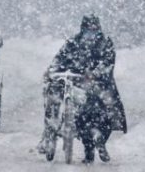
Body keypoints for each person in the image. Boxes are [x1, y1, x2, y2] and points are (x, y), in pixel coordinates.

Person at [37, 14, 127, 163]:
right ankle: (93, 141)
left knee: (95, 115)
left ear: (98, 29)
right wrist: (51, 71)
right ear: (82, 29)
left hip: (99, 86)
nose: (91, 33)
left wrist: (93, 75)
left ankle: (95, 143)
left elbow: (107, 64)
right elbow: (60, 58)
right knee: (69, 105)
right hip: (76, 82)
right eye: (88, 30)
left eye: (94, 30)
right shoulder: (74, 42)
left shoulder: (103, 44)